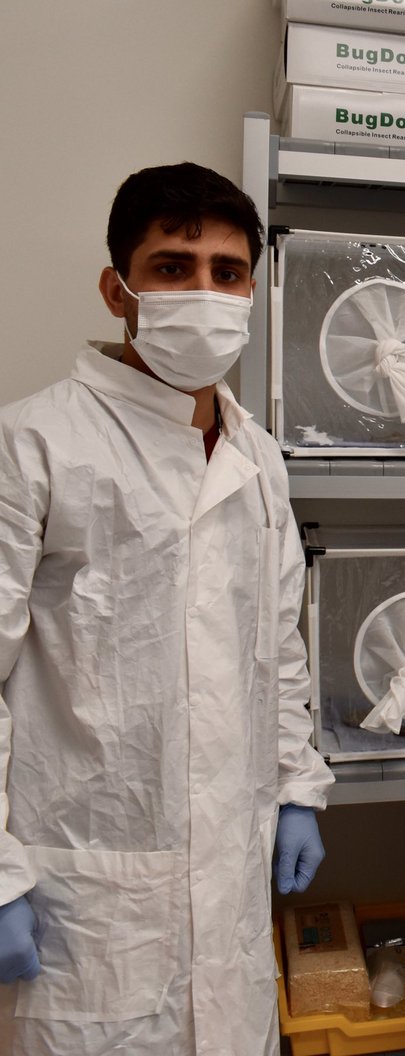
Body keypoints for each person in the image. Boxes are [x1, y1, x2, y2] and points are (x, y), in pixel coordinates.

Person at [0, 162, 334, 1054]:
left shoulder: (258, 456)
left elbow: (279, 648)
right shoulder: (35, 441)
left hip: (228, 881)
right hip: (82, 894)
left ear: (253, 288)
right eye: (173, 267)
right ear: (119, 289)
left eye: (227, 272)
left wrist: (296, 787)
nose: (204, 291)